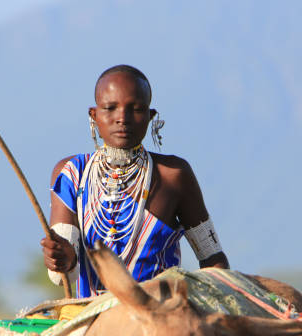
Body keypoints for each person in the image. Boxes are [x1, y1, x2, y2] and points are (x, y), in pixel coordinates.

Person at [41, 65, 229, 298]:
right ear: (94, 115)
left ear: (151, 117)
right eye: (110, 108)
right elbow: (60, 277)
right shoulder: (71, 174)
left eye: (136, 109)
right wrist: (62, 258)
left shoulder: (173, 174)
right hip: (91, 321)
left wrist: (216, 307)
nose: (122, 118)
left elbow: (213, 258)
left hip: (160, 321)